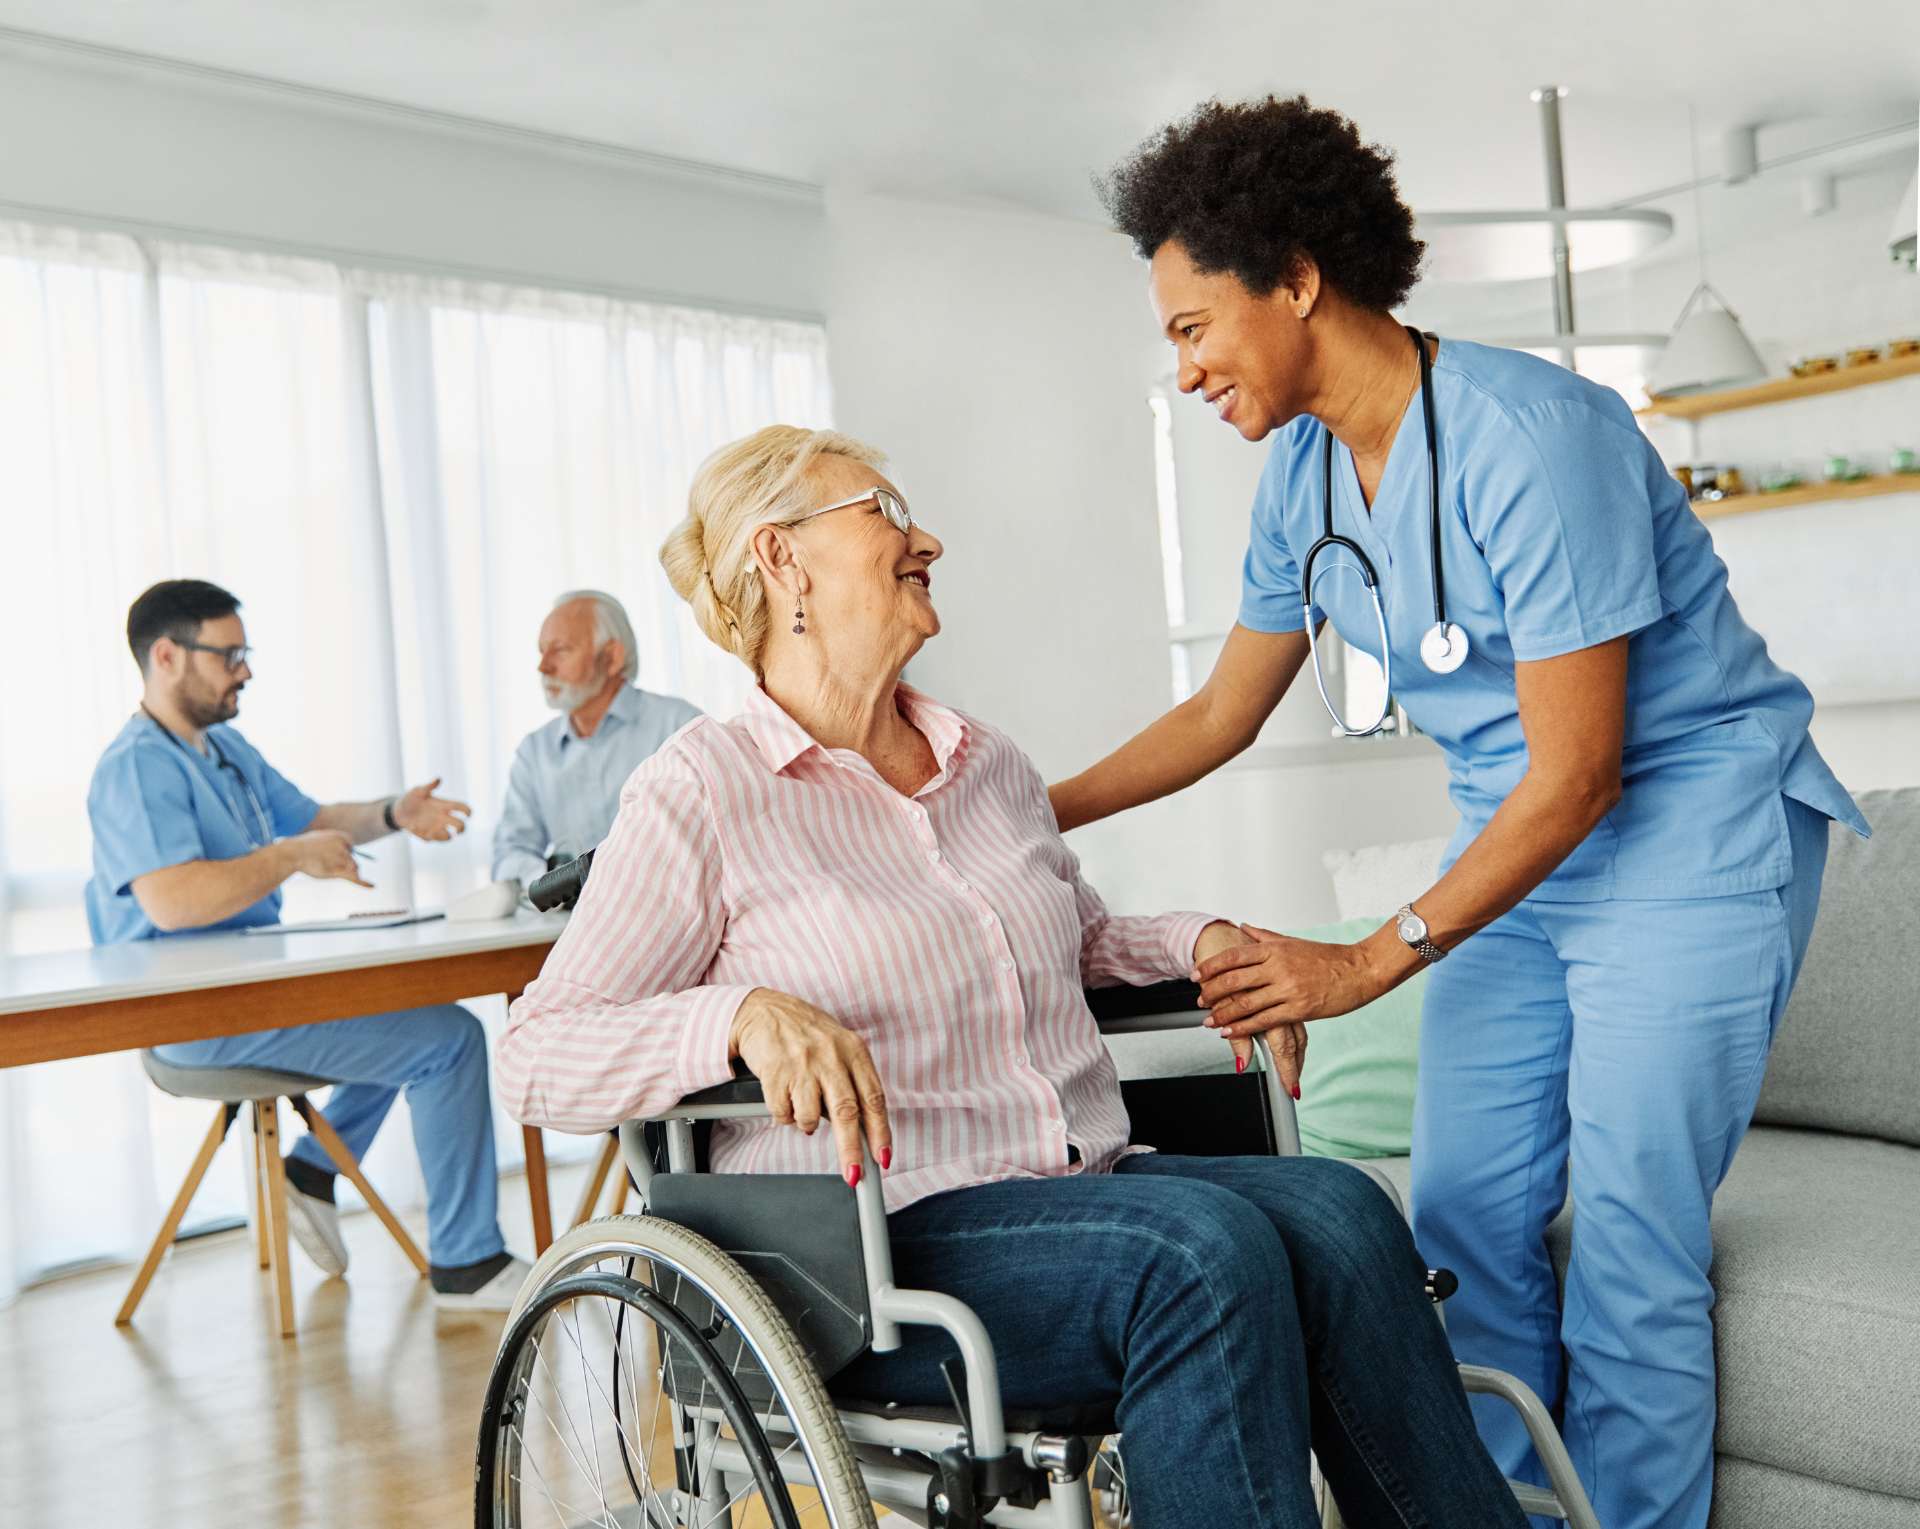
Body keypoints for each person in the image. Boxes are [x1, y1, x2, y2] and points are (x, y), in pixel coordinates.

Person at [1049, 97, 1870, 1529]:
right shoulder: (1301, 474)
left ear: (1297, 277)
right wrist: (1003, 806)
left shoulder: (1534, 433)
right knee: (1468, 1224)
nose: (1179, 367)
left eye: (1190, 326)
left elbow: (1582, 772)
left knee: (1630, 1244)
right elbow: (1217, 716)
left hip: (1684, 830)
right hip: (1520, 845)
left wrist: (1368, 959)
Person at [496, 426, 1527, 1529]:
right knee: (1201, 1257)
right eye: (884, 510)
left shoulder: (984, 763)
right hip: (873, 1242)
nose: (923, 536)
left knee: (1342, 1211)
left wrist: (1198, 943)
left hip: (1082, 1178)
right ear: (780, 558)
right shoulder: (699, 792)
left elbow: (1071, 940)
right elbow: (532, 1055)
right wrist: (734, 1017)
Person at [86, 579, 529, 1310]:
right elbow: (169, 901)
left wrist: (394, 811)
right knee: (446, 1039)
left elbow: (314, 816)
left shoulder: (222, 748)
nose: (246, 670)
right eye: (229, 654)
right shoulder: (135, 766)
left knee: (411, 1010)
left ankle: (314, 1171)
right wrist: (289, 856)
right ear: (166, 656)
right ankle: (467, 1262)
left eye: (245, 653)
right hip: (193, 1014)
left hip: (251, 986)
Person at [490, 589, 701, 887]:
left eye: (561, 649)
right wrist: (553, 883)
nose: (543, 666)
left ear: (612, 657)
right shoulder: (534, 752)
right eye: (541, 651)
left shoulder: (680, 727)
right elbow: (509, 854)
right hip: (574, 926)